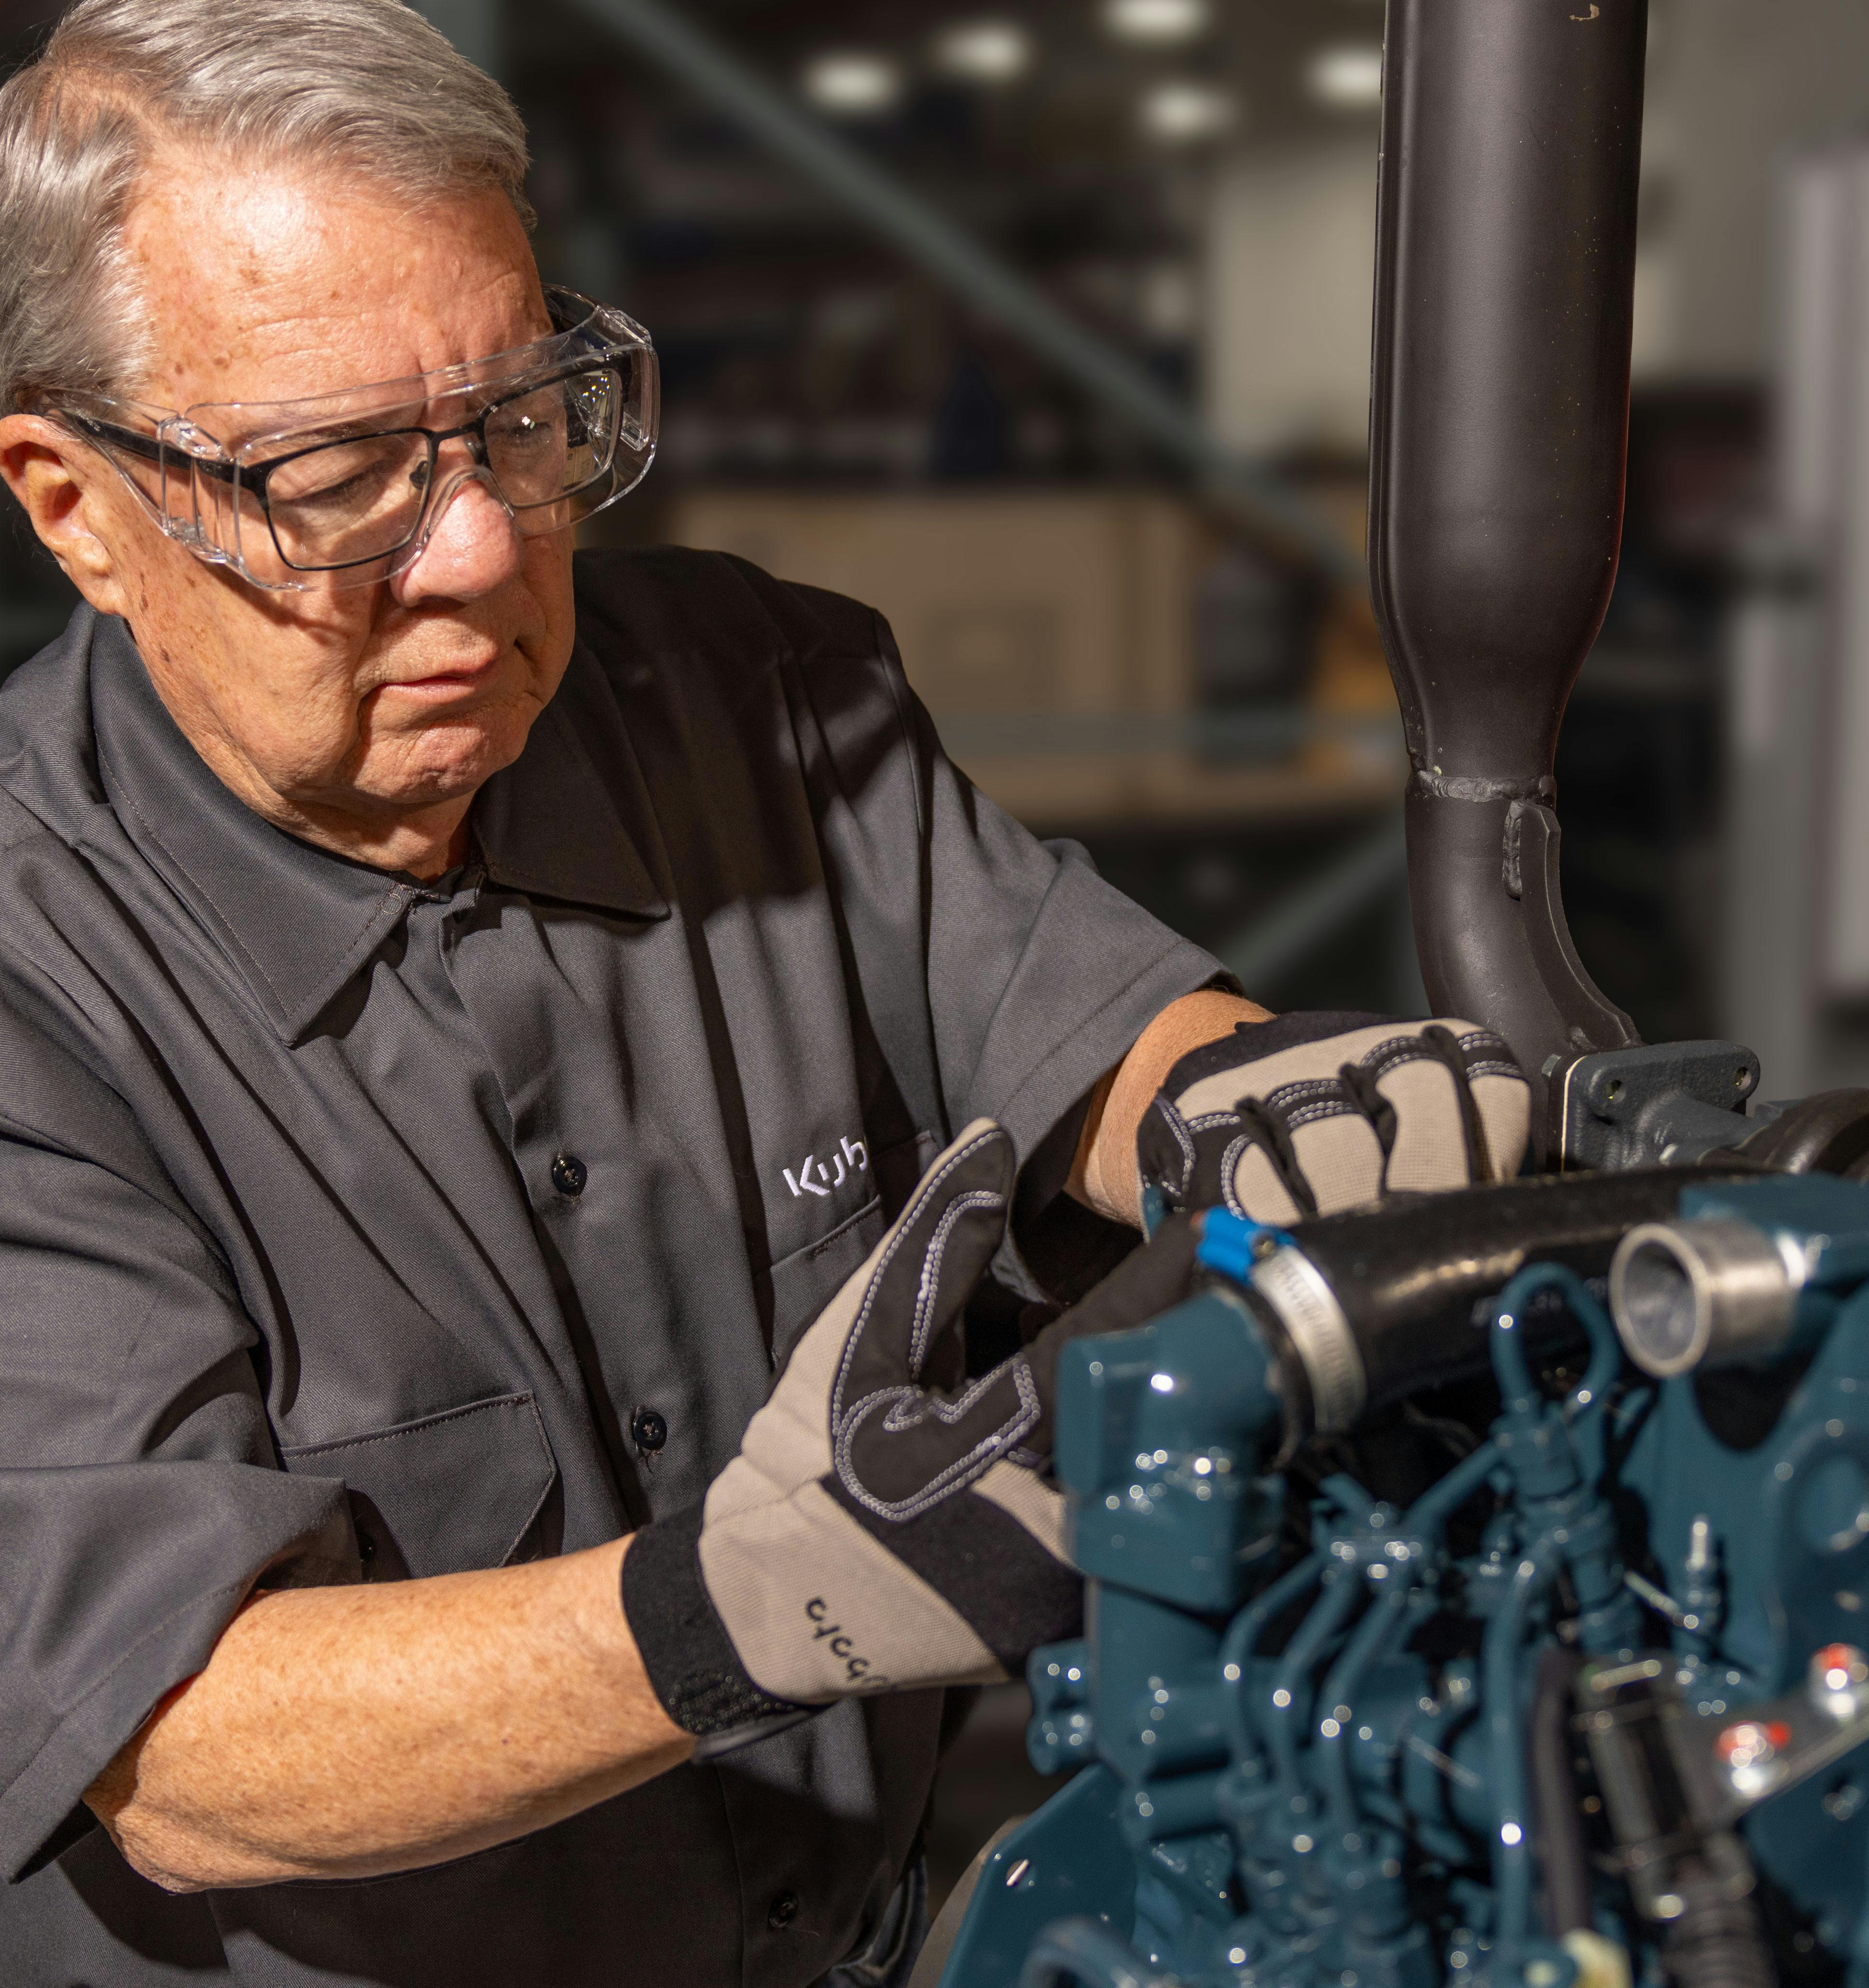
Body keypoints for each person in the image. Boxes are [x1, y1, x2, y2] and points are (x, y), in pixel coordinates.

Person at [0, 4, 1533, 1984]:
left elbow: (1085, 1033)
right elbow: (180, 1744)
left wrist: (1247, 1108)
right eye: (343, 471)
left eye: (520, 426)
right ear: (72, 506)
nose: (473, 549)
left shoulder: (760, 693)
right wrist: (737, 1607)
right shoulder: (38, 990)